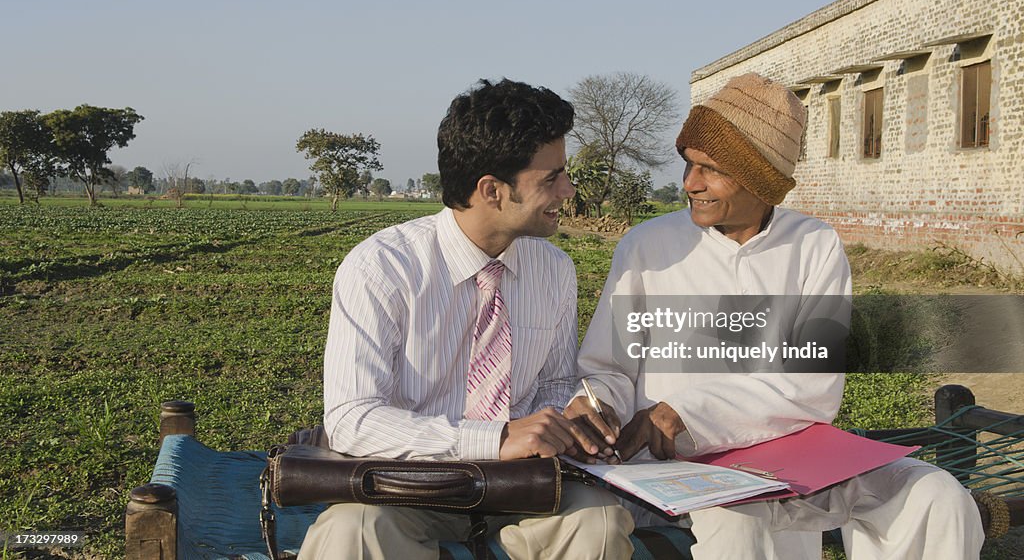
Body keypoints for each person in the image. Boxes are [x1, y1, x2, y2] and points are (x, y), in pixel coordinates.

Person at [566, 72, 985, 559]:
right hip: (683, 469)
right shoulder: (648, 247)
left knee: (937, 496)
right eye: (688, 164)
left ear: (760, 177)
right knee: (736, 525)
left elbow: (814, 385)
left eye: (709, 169)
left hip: (797, 459)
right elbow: (608, 368)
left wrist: (686, 411)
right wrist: (602, 406)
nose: (690, 184)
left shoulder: (814, 245)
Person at [300, 79, 634, 559]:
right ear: (491, 190)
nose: (569, 190)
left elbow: (556, 383)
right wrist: (494, 438)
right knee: (354, 531)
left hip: (522, 487)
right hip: (406, 485)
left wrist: (573, 417)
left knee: (598, 523)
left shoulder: (554, 269)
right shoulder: (382, 267)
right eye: (551, 178)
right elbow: (353, 419)